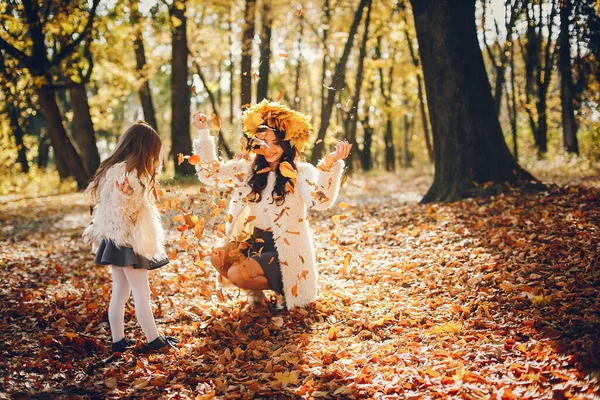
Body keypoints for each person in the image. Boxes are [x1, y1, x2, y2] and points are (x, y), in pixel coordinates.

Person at [192, 100, 351, 310]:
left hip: (284, 249)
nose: (269, 149)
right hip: (253, 241)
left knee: (236, 273)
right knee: (217, 257)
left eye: (276, 142)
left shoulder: (301, 172)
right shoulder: (247, 170)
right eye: (263, 142)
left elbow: (320, 200)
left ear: (287, 144)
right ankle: (256, 293)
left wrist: (329, 164)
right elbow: (209, 174)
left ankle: (286, 289)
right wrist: (204, 133)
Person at [83, 121, 177, 353]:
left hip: (113, 240)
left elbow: (111, 207)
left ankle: (118, 342)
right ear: (145, 150)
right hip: (127, 242)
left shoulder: (112, 170)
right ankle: (154, 340)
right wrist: (129, 195)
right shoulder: (130, 174)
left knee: (120, 293)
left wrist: (127, 196)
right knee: (141, 293)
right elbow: (126, 210)